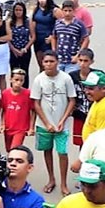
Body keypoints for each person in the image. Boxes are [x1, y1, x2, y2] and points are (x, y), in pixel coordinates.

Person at [31, 51, 76, 195]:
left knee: (62, 152)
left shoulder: (66, 78)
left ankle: (63, 183)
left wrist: (62, 120)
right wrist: (47, 123)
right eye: (46, 62)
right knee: (47, 150)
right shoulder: (39, 79)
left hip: (62, 125)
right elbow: (36, 103)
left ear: (57, 62)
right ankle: (51, 179)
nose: (48, 65)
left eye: (51, 61)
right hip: (44, 124)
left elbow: (72, 100)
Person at [81, 70, 105, 143]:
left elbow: (102, 139)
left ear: (104, 89)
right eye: (86, 87)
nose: (86, 92)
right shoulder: (101, 98)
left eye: (91, 89)